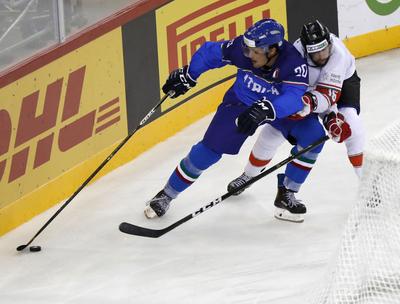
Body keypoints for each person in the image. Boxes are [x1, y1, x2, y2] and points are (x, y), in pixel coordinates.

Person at [144, 19, 326, 223]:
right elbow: (210, 52)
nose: (248, 55)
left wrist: (269, 108)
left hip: (276, 109)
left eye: (254, 51)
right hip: (241, 103)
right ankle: (167, 193)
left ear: (272, 50)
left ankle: (287, 194)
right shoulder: (243, 50)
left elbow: (293, 97)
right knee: (208, 151)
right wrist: (189, 74)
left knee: (313, 137)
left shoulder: (293, 63)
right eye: (247, 50)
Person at [227, 20, 364, 220]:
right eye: (314, 53)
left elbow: (328, 96)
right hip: (308, 93)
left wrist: (330, 119)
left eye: (324, 51)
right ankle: (247, 176)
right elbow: (296, 86)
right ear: (306, 50)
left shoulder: (338, 57)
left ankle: (367, 184)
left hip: (340, 86)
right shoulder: (296, 53)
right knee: (274, 132)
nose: (320, 57)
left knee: (353, 127)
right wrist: (299, 105)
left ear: (329, 43)